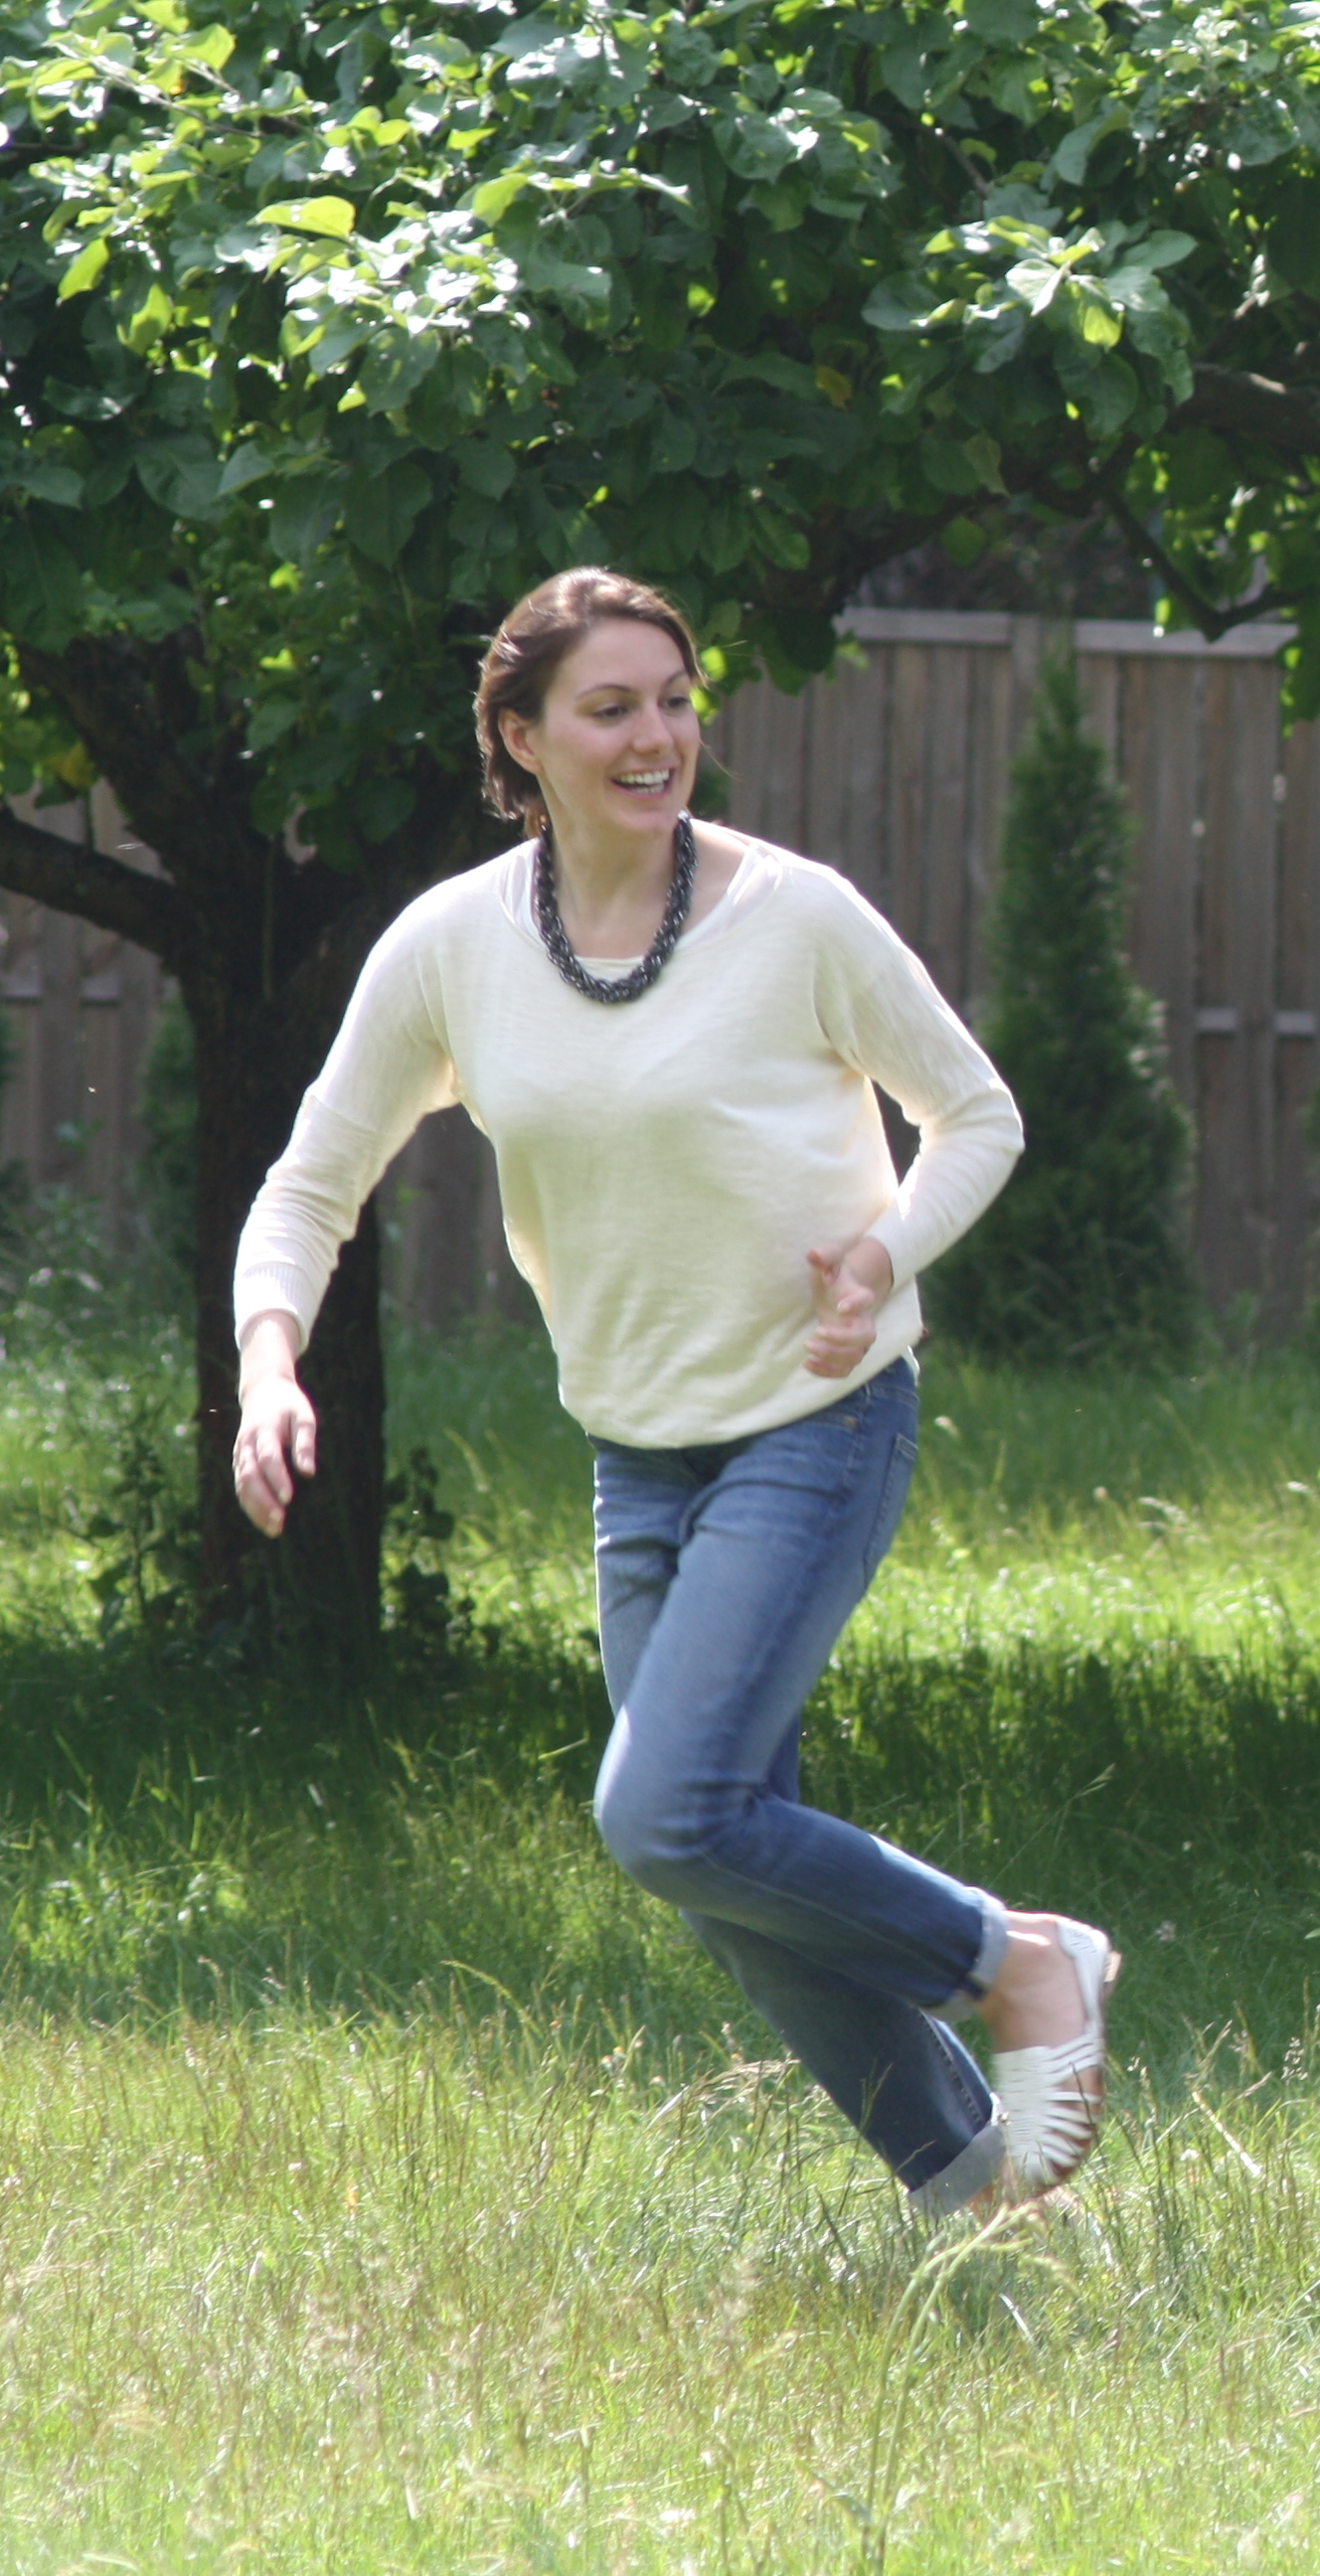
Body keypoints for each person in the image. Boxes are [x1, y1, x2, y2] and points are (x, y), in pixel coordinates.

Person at [231, 566, 1116, 2221]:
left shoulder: (797, 917)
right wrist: (268, 1362)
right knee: (714, 1859)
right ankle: (969, 2182)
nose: (658, 736)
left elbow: (977, 1114)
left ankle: (1020, 1960)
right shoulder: (451, 947)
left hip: (814, 1421)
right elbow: (310, 1184)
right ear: (521, 739)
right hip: (637, 1456)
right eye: (611, 707)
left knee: (668, 1814)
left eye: (676, 699)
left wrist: (884, 1252)